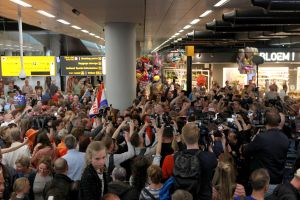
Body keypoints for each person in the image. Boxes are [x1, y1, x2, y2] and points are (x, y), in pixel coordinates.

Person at [242, 109, 289, 196]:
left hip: (262, 183)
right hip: (278, 182)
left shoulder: (261, 138)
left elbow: (246, 152)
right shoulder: (285, 138)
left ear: (265, 121)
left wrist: (253, 139)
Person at [173, 122, 217, 200]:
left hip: (184, 197)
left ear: (183, 137)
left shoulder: (177, 156)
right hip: (203, 196)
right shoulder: (210, 157)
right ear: (198, 137)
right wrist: (210, 148)